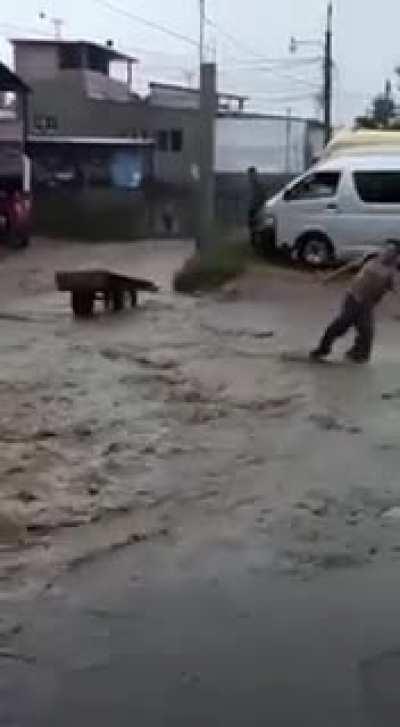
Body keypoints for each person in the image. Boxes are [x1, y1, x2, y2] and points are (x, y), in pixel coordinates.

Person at [310, 240, 400, 363]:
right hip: (352, 297)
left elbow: (397, 291)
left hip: (367, 306)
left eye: (391, 252)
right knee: (341, 324)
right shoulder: (371, 259)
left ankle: (356, 356)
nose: (386, 253)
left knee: (367, 333)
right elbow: (349, 267)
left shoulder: (392, 272)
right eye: (386, 249)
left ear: (395, 256)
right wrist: (328, 278)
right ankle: (321, 350)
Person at [247, 167, 266, 245]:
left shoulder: (259, 184)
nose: (251, 176)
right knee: (252, 225)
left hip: (258, 208)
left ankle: (257, 241)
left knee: (258, 225)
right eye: (250, 174)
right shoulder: (249, 184)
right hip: (252, 208)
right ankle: (253, 240)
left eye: (252, 174)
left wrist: (261, 205)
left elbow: (263, 195)